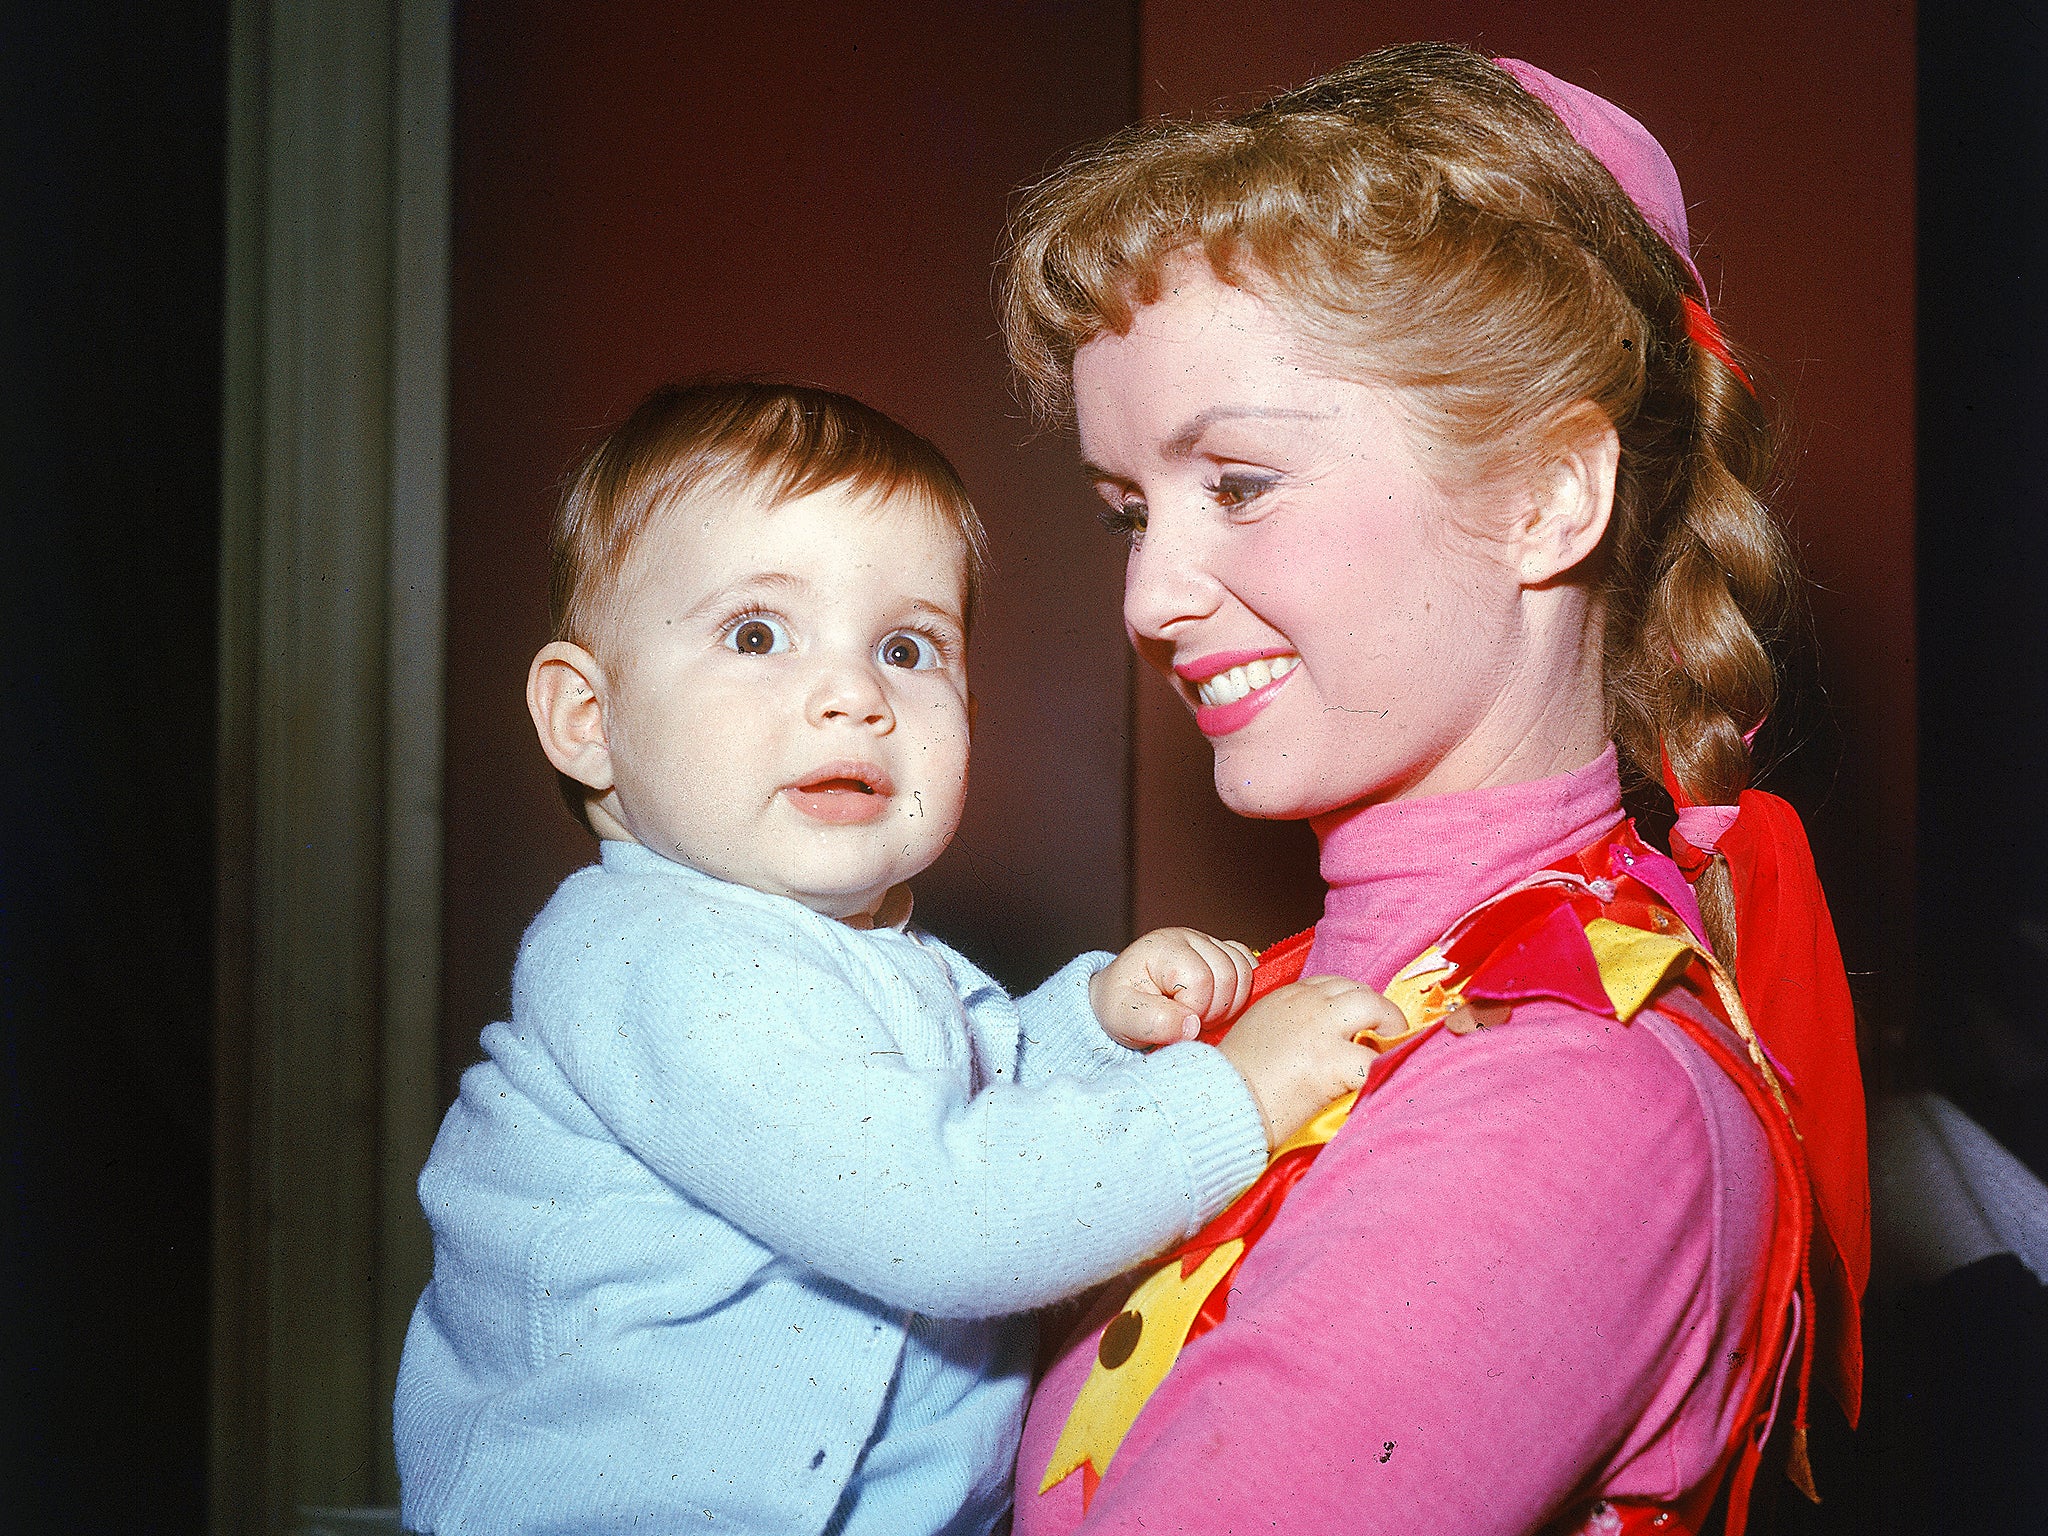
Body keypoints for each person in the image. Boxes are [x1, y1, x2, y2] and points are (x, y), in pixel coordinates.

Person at [997, 44, 1869, 1536]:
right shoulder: (1294, 1002)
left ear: (1544, 498)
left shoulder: (1567, 1095)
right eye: (1128, 509)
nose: (1149, 595)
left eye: (1241, 484)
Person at [392, 380, 1385, 1535]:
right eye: (755, 634)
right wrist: (1229, 1097)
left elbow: (939, 1108)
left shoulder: (848, 949)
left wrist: (1092, 1029)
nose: (854, 696)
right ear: (586, 719)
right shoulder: (655, 963)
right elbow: (945, 1217)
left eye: (908, 647)